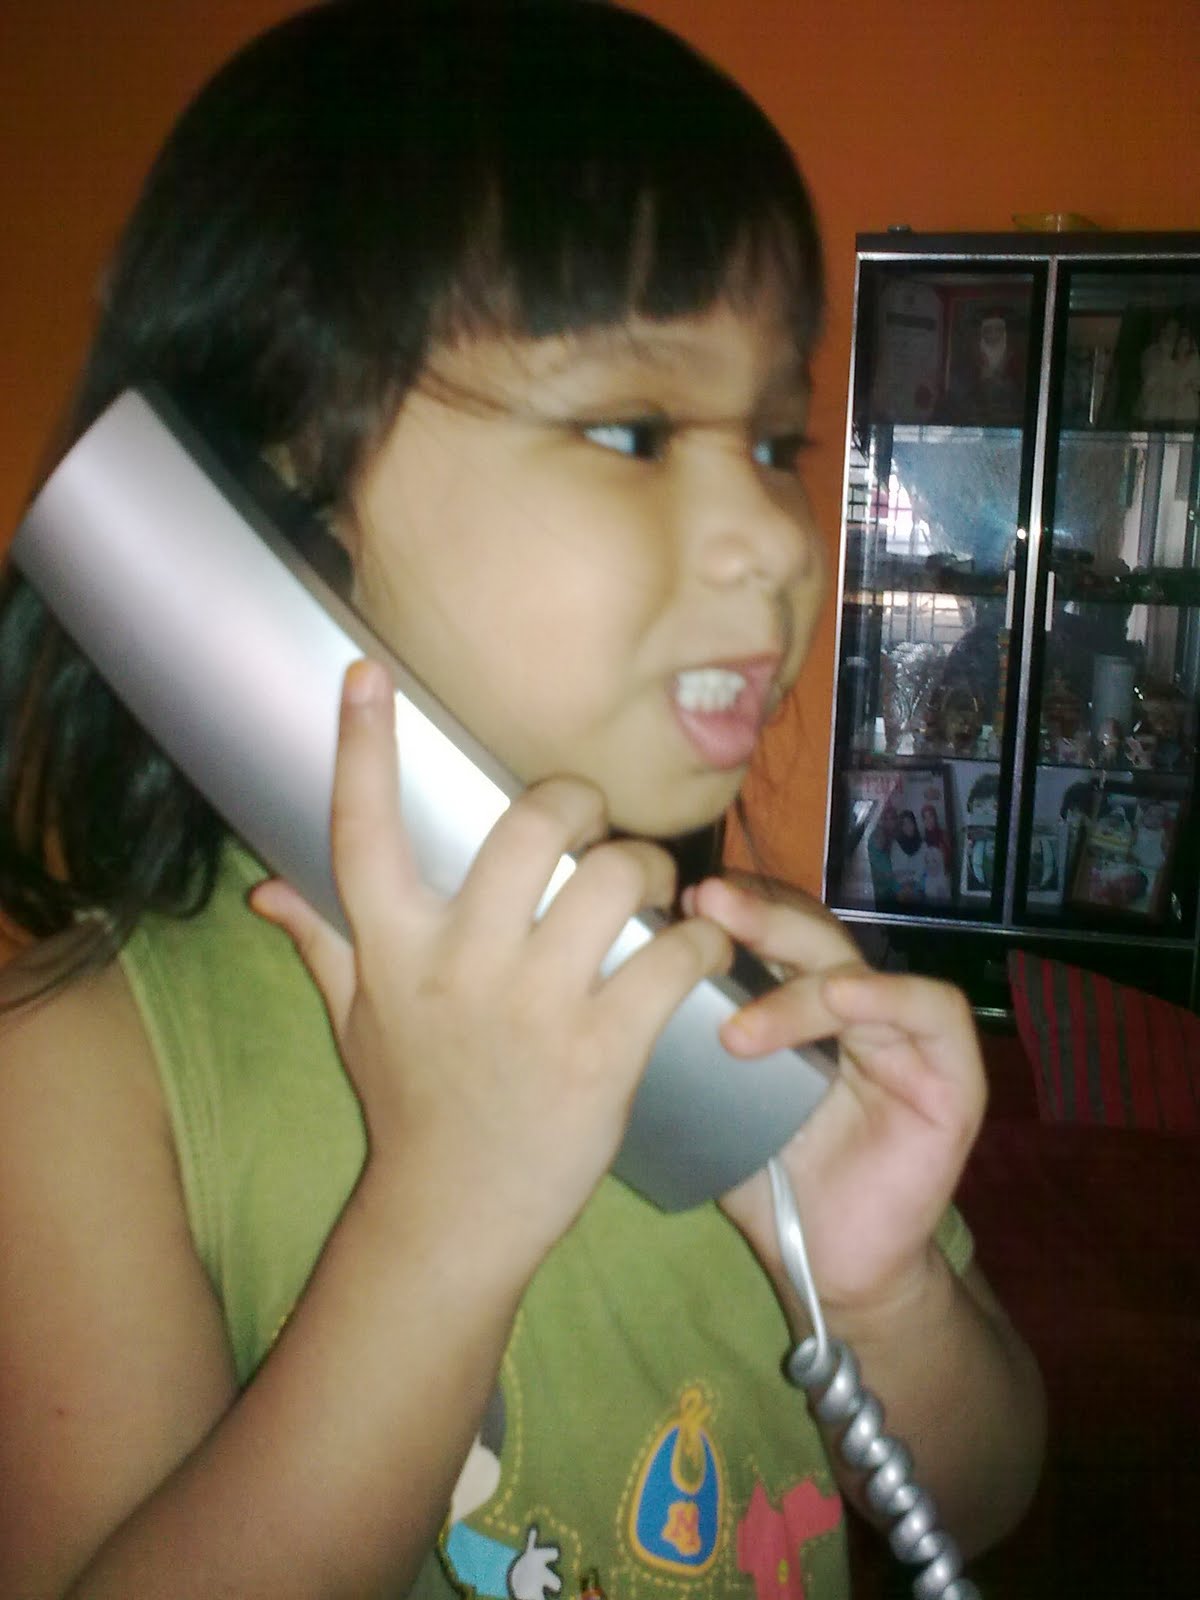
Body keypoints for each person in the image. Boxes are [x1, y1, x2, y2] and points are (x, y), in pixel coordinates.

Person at [0, 4, 1045, 1596]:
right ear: (268, 501)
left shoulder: (737, 995)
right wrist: (449, 1215)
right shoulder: (82, 1079)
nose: (780, 535)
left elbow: (985, 1495)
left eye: (776, 437)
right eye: (633, 430)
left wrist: (882, 1291)